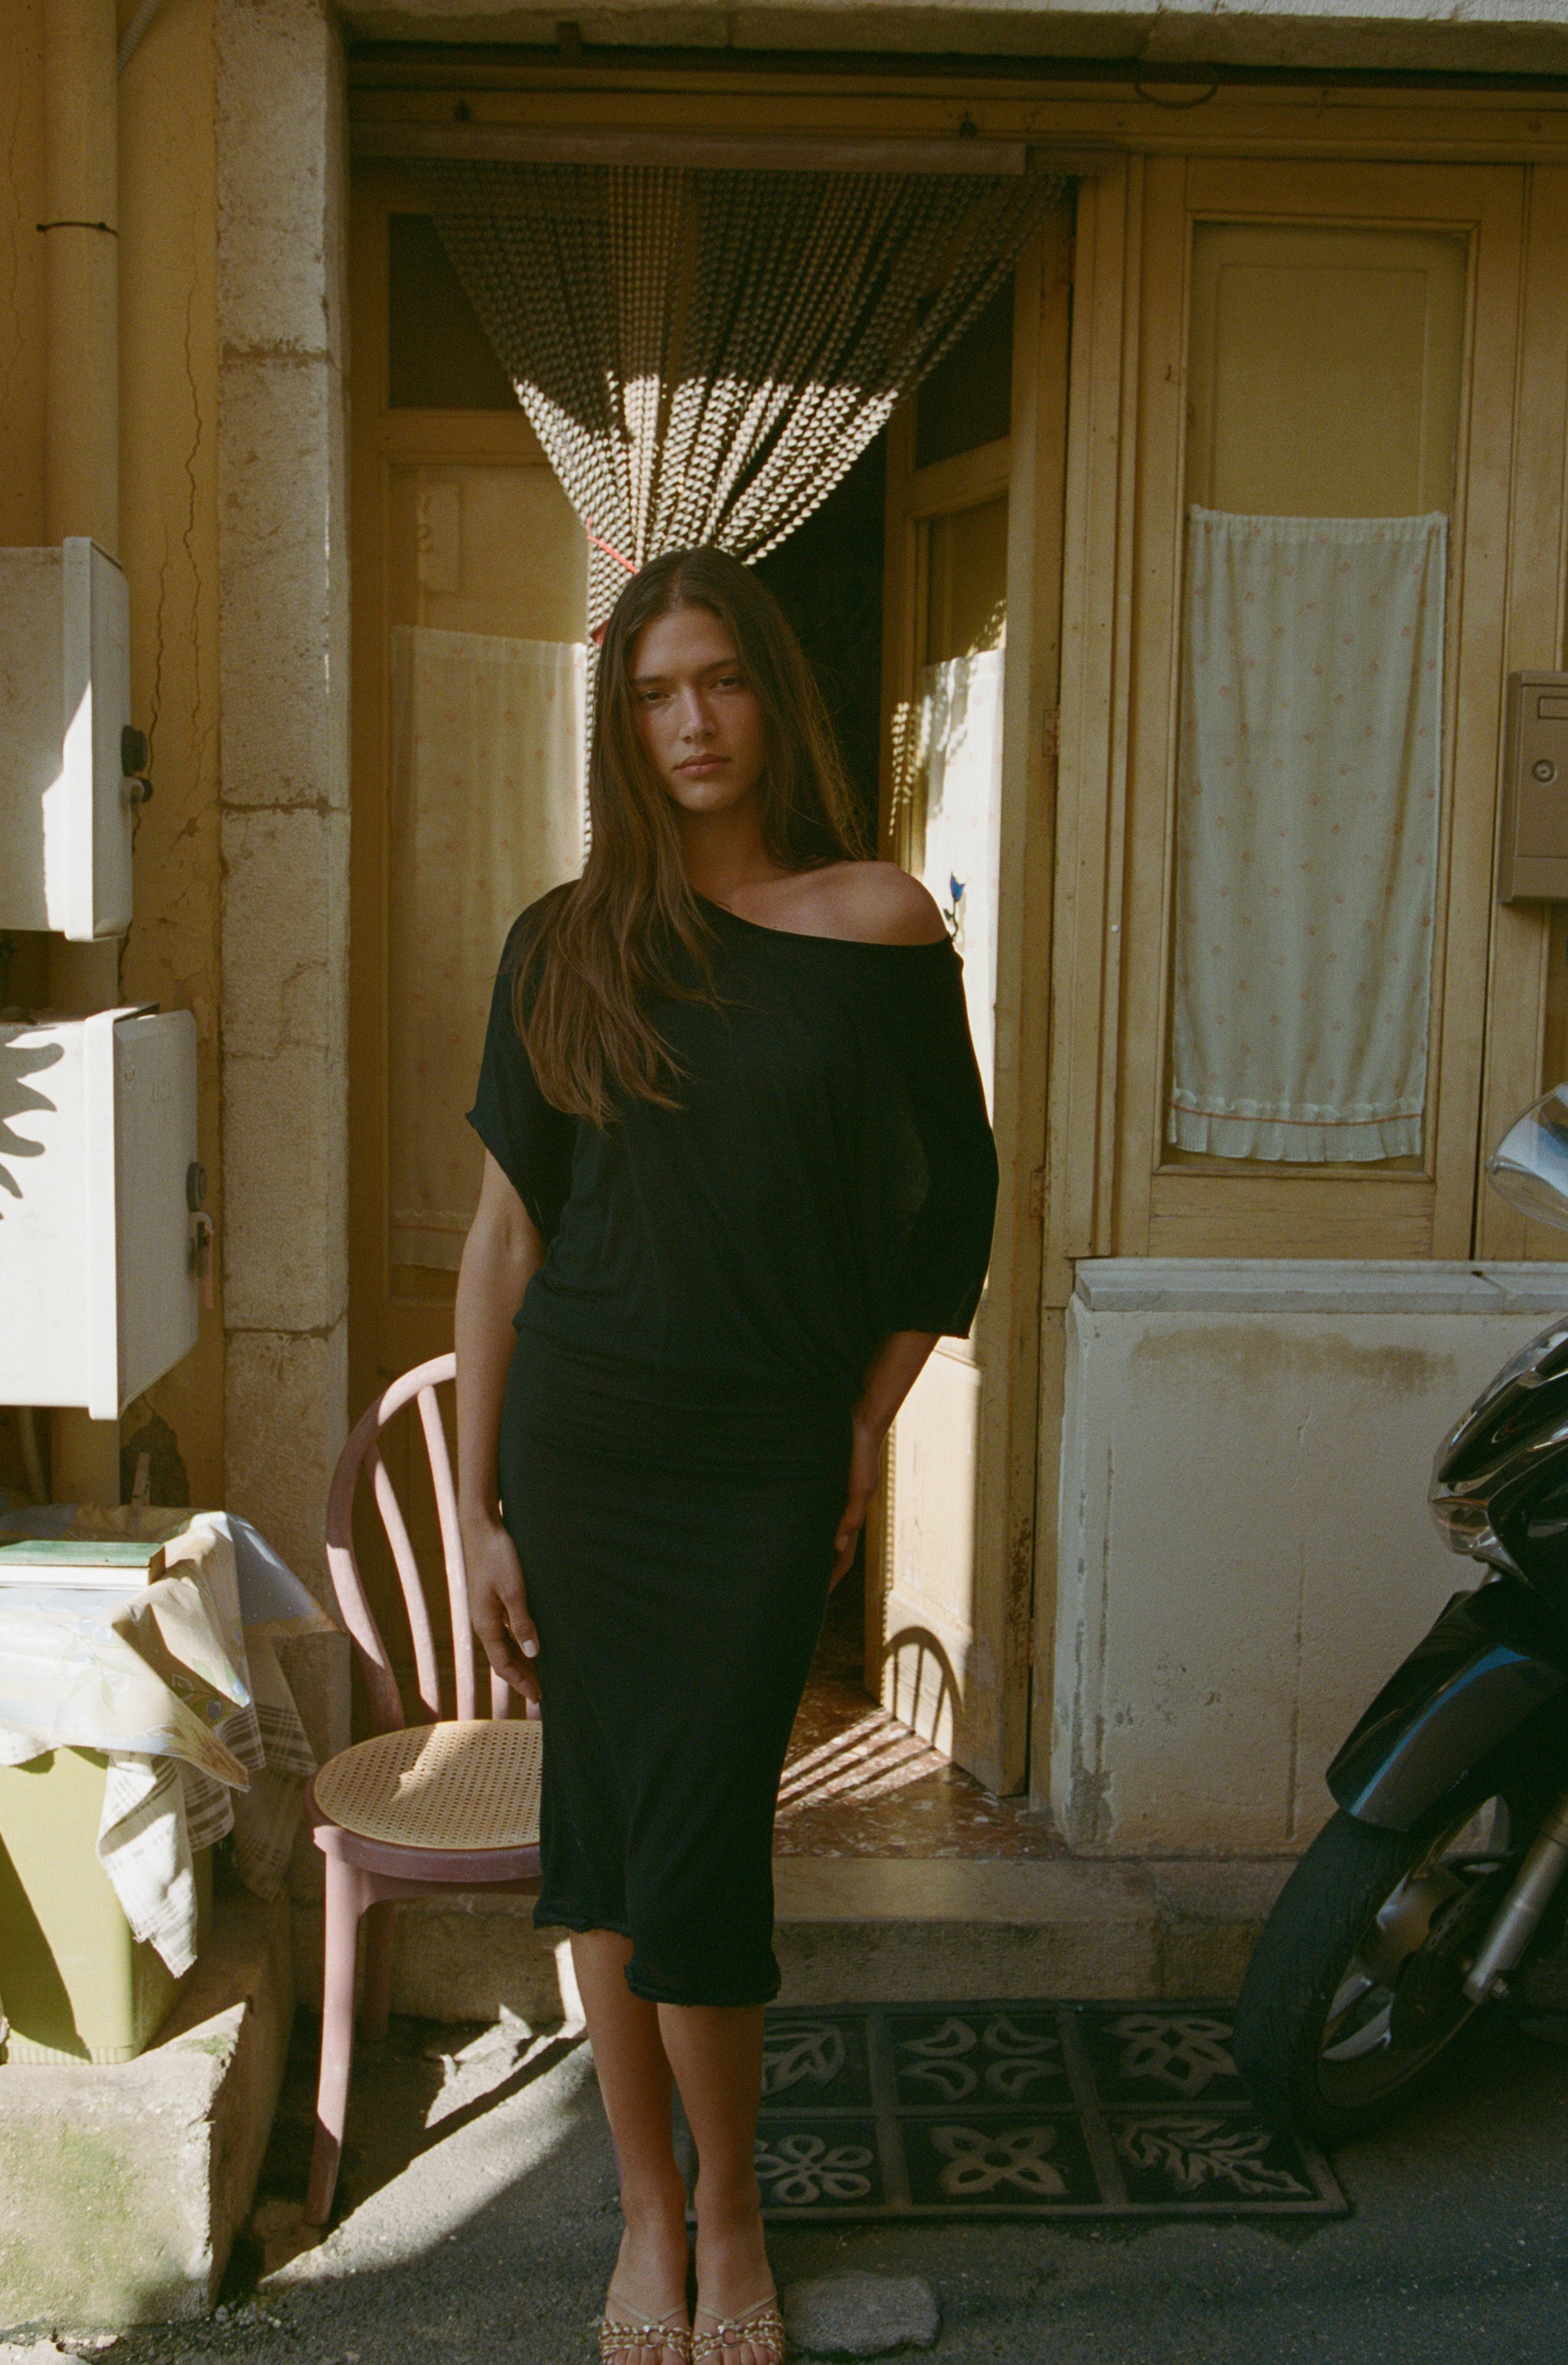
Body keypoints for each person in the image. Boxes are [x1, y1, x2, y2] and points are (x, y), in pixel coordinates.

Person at [454, 547, 998, 2365]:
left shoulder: (877, 925)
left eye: (721, 681)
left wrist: (861, 1423)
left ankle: (733, 2213)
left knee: (694, 1851)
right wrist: (474, 1513)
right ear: (619, 726)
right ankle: (646, 2216)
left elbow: (953, 1213)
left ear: (772, 695)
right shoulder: (565, 942)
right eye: (653, 694)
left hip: (761, 1462)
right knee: (608, 1841)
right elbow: (504, 1245)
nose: (691, 722)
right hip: (583, 1453)